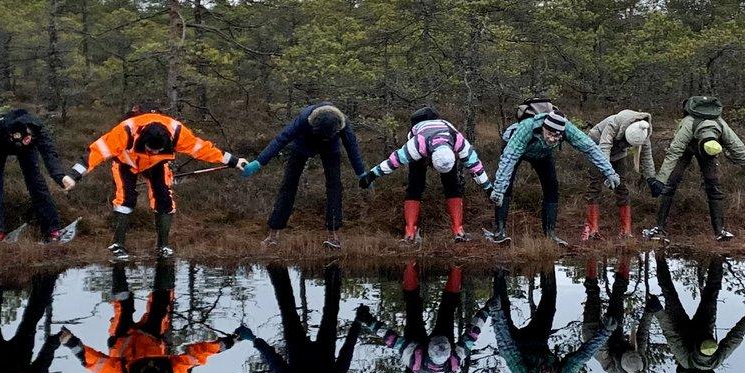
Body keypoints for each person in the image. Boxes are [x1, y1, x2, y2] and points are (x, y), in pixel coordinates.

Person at [70, 108, 243, 260]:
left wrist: (233, 161)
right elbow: (98, 151)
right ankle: (118, 245)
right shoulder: (126, 130)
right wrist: (74, 175)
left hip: (157, 165)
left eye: (157, 149)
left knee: (164, 200)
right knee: (125, 200)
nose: (152, 152)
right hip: (126, 163)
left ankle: (163, 246)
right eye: (150, 149)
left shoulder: (176, 132)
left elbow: (202, 149)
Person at [63, 257, 232, 373]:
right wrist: (224, 344)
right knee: (162, 302)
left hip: (122, 338)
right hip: (152, 338)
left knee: (124, 305)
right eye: (155, 366)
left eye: (147, 366)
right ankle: (165, 259)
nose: (151, 362)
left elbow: (94, 362)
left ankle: (118, 262)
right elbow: (197, 355)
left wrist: (72, 344)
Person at [486, 100, 617, 246]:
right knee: (506, 187)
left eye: (557, 137)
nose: (552, 138)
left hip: (542, 152)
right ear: (543, 128)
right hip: (515, 146)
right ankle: (499, 231)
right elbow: (509, 159)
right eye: (549, 134)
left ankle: (550, 234)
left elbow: (590, 148)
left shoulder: (567, 128)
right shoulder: (527, 128)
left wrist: (609, 172)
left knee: (552, 188)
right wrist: (498, 190)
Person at [357, 105, 492, 243]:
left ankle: (458, 230)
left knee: (452, 187)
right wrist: (371, 175)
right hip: (422, 140)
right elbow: (394, 161)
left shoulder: (458, 141)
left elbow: (476, 166)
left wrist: (489, 188)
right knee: (415, 186)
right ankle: (410, 232)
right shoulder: (416, 145)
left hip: (444, 149)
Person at [242, 102, 366, 249]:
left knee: (335, 187)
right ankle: (272, 236)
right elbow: (282, 139)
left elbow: (352, 147)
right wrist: (259, 162)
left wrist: (362, 173)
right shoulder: (304, 118)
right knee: (288, 185)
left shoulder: (342, 122)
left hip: (330, 149)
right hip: (303, 145)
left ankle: (333, 236)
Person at [242, 264, 373, 373]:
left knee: (292, 311)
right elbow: (348, 349)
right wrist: (358, 321)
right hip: (320, 351)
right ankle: (333, 268)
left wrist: (256, 341)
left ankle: (278, 267)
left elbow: (275, 362)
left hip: (301, 351)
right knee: (326, 313)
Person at [644, 96, 745, 242]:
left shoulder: (721, 126)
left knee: (713, 185)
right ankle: (659, 228)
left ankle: (720, 231)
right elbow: (674, 153)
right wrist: (660, 181)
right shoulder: (688, 124)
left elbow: (742, 154)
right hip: (685, 148)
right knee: (670, 184)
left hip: (709, 149)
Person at [477, 268, 605, 373]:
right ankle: (547, 264)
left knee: (501, 306)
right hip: (539, 340)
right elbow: (584, 354)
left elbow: (506, 345)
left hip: (516, 344)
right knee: (549, 302)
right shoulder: (562, 372)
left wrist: (497, 312)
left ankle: (499, 273)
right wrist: (606, 332)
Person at [0, 107, 73, 243]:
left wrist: (60, 177)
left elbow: (49, 153)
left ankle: (52, 230)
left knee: (37, 184)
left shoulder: (38, 129)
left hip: (27, 150)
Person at [649, 253, 745, 373]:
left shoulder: (715, 361)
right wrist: (658, 311)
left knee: (711, 292)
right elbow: (671, 335)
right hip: (683, 327)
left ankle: (717, 253)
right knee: (669, 292)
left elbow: (737, 335)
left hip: (702, 326)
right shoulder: (685, 361)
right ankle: (659, 253)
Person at [384, 263, 474, 373]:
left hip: (420, 346)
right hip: (441, 346)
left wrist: (368, 321)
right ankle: (455, 268)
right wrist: (486, 311)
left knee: (415, 308)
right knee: (444, 311)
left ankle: (410, 265)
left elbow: (392, 340)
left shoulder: (411, 357)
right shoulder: (451, 362)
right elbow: (471, 338)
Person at [582, 109, 655, 240]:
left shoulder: (644, 132)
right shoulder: (613, 124)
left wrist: (651, 178)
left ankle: (626, 231)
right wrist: (608, 172)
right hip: (596, 147)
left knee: (622, 187)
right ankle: (592, 230)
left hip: (619, 153)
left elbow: (647, 155)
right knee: (595, 186)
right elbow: (604, 147)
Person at [586, 256, 652, 373]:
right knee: (618, 293)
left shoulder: (609, 364)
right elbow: (642, 335)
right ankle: (626, 253)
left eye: (626, 353)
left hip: (593, 337)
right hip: (616, 334)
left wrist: (606, 331)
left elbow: (599, 345)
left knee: (593, 293)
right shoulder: (640, 359)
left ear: (622, 361)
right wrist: (650, 311)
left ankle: (592, 254)